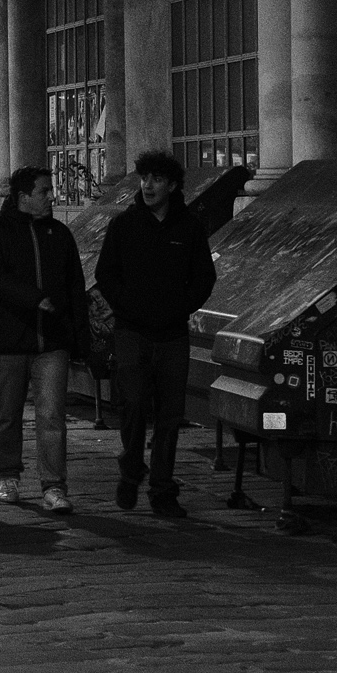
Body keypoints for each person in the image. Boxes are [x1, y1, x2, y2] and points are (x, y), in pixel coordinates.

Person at [95, 150, 217, 520]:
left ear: (173, 186)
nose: (147, 185)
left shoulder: (189, 227)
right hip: (132, 331)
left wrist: (180, 307)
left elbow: (203, 279)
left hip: (172, 335)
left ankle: (162, 488)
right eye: (144, 178)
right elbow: (106, 275)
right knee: (131, 404)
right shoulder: (125, 225)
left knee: (169, 415)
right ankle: (131, 466)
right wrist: (127, 308)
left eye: (156, 179)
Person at [0, 165, 90, 514]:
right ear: (23, 196)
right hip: (10, 338)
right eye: (44, 191)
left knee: (52, 415)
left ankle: (54, 485)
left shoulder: (59, 233)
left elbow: (75, 287)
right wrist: (34, 298)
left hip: (52, 341)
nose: (51, 196)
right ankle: (8, 475)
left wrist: (80, 339)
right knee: (8, 413)